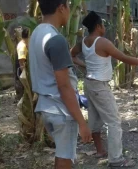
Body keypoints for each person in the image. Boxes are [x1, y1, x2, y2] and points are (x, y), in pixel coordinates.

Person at [71, 11, 138, 168]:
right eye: (103, 25)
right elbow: (124, 58)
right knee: (113, 122)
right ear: (98, 26)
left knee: (95, 119)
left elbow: (71, 55)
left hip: (89, 84)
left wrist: (86, 66)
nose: (104, 27)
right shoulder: (102, 42)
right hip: (100, 85)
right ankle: (116, 160)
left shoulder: (83, 42)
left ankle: (100, 151)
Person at [29, 0, 92, 168]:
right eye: (68, 6)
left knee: (62, 153)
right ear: (61, 8)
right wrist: (82, 122)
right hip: (61, 109)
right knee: (65, 158)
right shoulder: (55, 39)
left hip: (46, 106)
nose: (70, 11)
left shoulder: (36, 33)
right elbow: (63, 86)